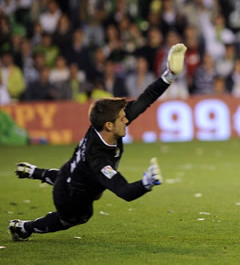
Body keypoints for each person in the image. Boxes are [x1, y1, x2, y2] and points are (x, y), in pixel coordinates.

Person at [8, 43, 187, 241]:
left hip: (69, 173)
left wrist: (169, 75)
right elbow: (124, 191)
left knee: (80, 178)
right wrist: (147, 183)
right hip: (70, 199)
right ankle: (26, 228)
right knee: (76, 217)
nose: (127, 119)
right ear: (109, 126)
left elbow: (145, 99)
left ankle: (34, 172)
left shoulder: (101, 124)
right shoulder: (99, 161)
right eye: (122, 118)